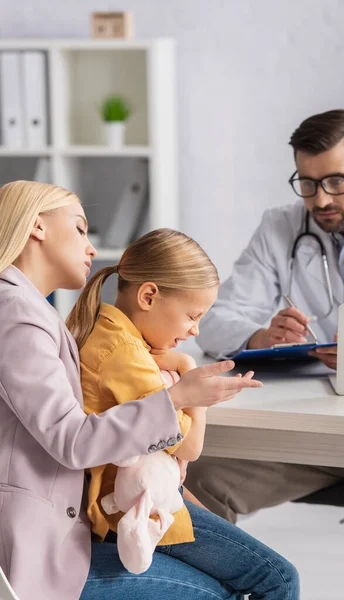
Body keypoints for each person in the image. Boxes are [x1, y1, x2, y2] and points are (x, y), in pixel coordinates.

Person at [0, 180, 268, 600]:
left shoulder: (34, 314)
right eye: (80, 228)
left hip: (67, 527)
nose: (91, 247)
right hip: (41, 547)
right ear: (37, 227)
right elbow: (72, 440)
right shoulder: (16, 315)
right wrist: (179, 397)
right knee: (244, 586)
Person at [185, 109, 344, 599]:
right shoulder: (280, 226)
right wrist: (261, 335)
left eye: (336, 181)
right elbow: (215, 321)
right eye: (306, 182)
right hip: (310, 438)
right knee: (198, 476)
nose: (319, 198)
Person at [65, 227, 300, 600]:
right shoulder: (124, 354)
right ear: (149, 296)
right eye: (192, 315)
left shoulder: (113, 335)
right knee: (279, 579)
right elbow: (188, 447)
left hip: (149, 497)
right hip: (133, 511)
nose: (195, 329)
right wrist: (191, 377)